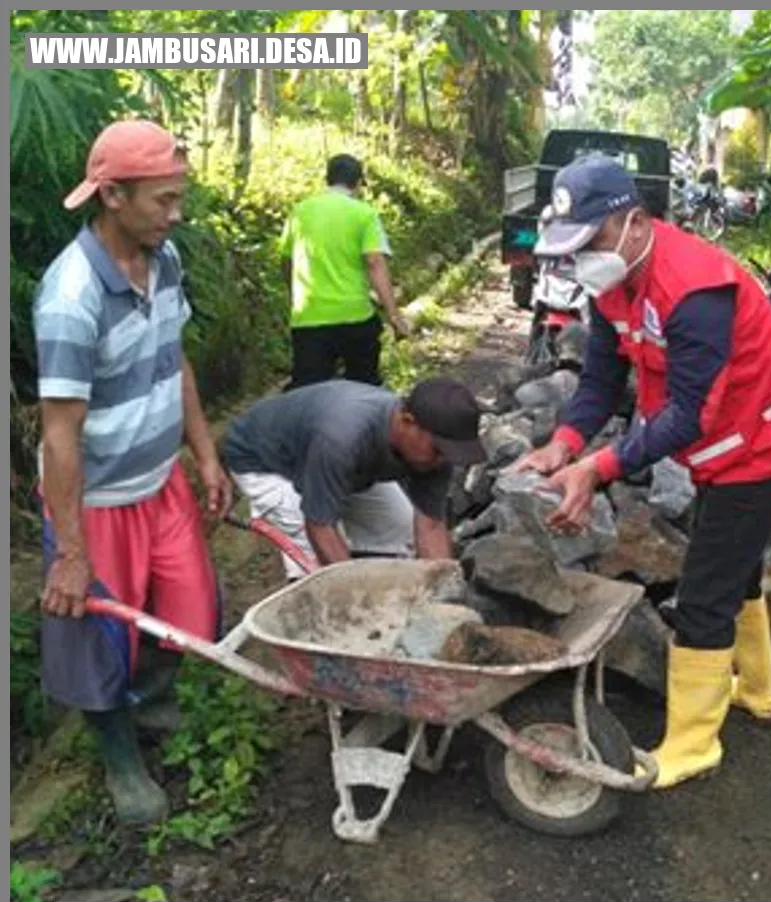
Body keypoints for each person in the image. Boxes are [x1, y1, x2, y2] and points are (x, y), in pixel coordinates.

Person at [512, 155, 771, 789]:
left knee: (705, 593)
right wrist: (564, 443)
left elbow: (688, 415)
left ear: (633, 222)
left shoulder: (695, 291)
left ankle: (693, 742)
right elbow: (601, 379)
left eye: (589, 240)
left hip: (762, 448)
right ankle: (757, 691)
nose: (581, 258)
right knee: (738, 566)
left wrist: (598, 468)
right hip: (725, 448)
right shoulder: (615, 281)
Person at [35, 119, 232, 826]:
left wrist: (204, 454)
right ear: (113, 195)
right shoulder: (70, 297)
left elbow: (174, 360)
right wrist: (71, 552)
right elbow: (59, 436)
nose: (175, 215)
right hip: (97, 498)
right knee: (98, 639)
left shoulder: (166, 259)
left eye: (178, 199)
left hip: (160, 479)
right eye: (163, 201)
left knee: (189, 611)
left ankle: (151, 696)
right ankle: (120, 756)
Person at [219, 378, 487, 578]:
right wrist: (355, 594)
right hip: (266, 461)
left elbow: (430, 525)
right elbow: (320, 526)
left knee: (400, 531)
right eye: (438, 450)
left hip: (340, 466)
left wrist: (443, 598)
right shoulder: (342, 437)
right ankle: (317, 645)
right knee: (313, 568)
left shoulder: (434, 451)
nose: (443, 461)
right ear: (407, 421)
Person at [279, 154, 410, 390]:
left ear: (327, 179)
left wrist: (294, 296)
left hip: (309, 317)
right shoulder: (364, 214)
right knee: (363, 389)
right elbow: (374, 263)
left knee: (308, 393)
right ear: (358, 183)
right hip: (355, 317)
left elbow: (286, 261)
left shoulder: (299, 211)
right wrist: (394, 316)